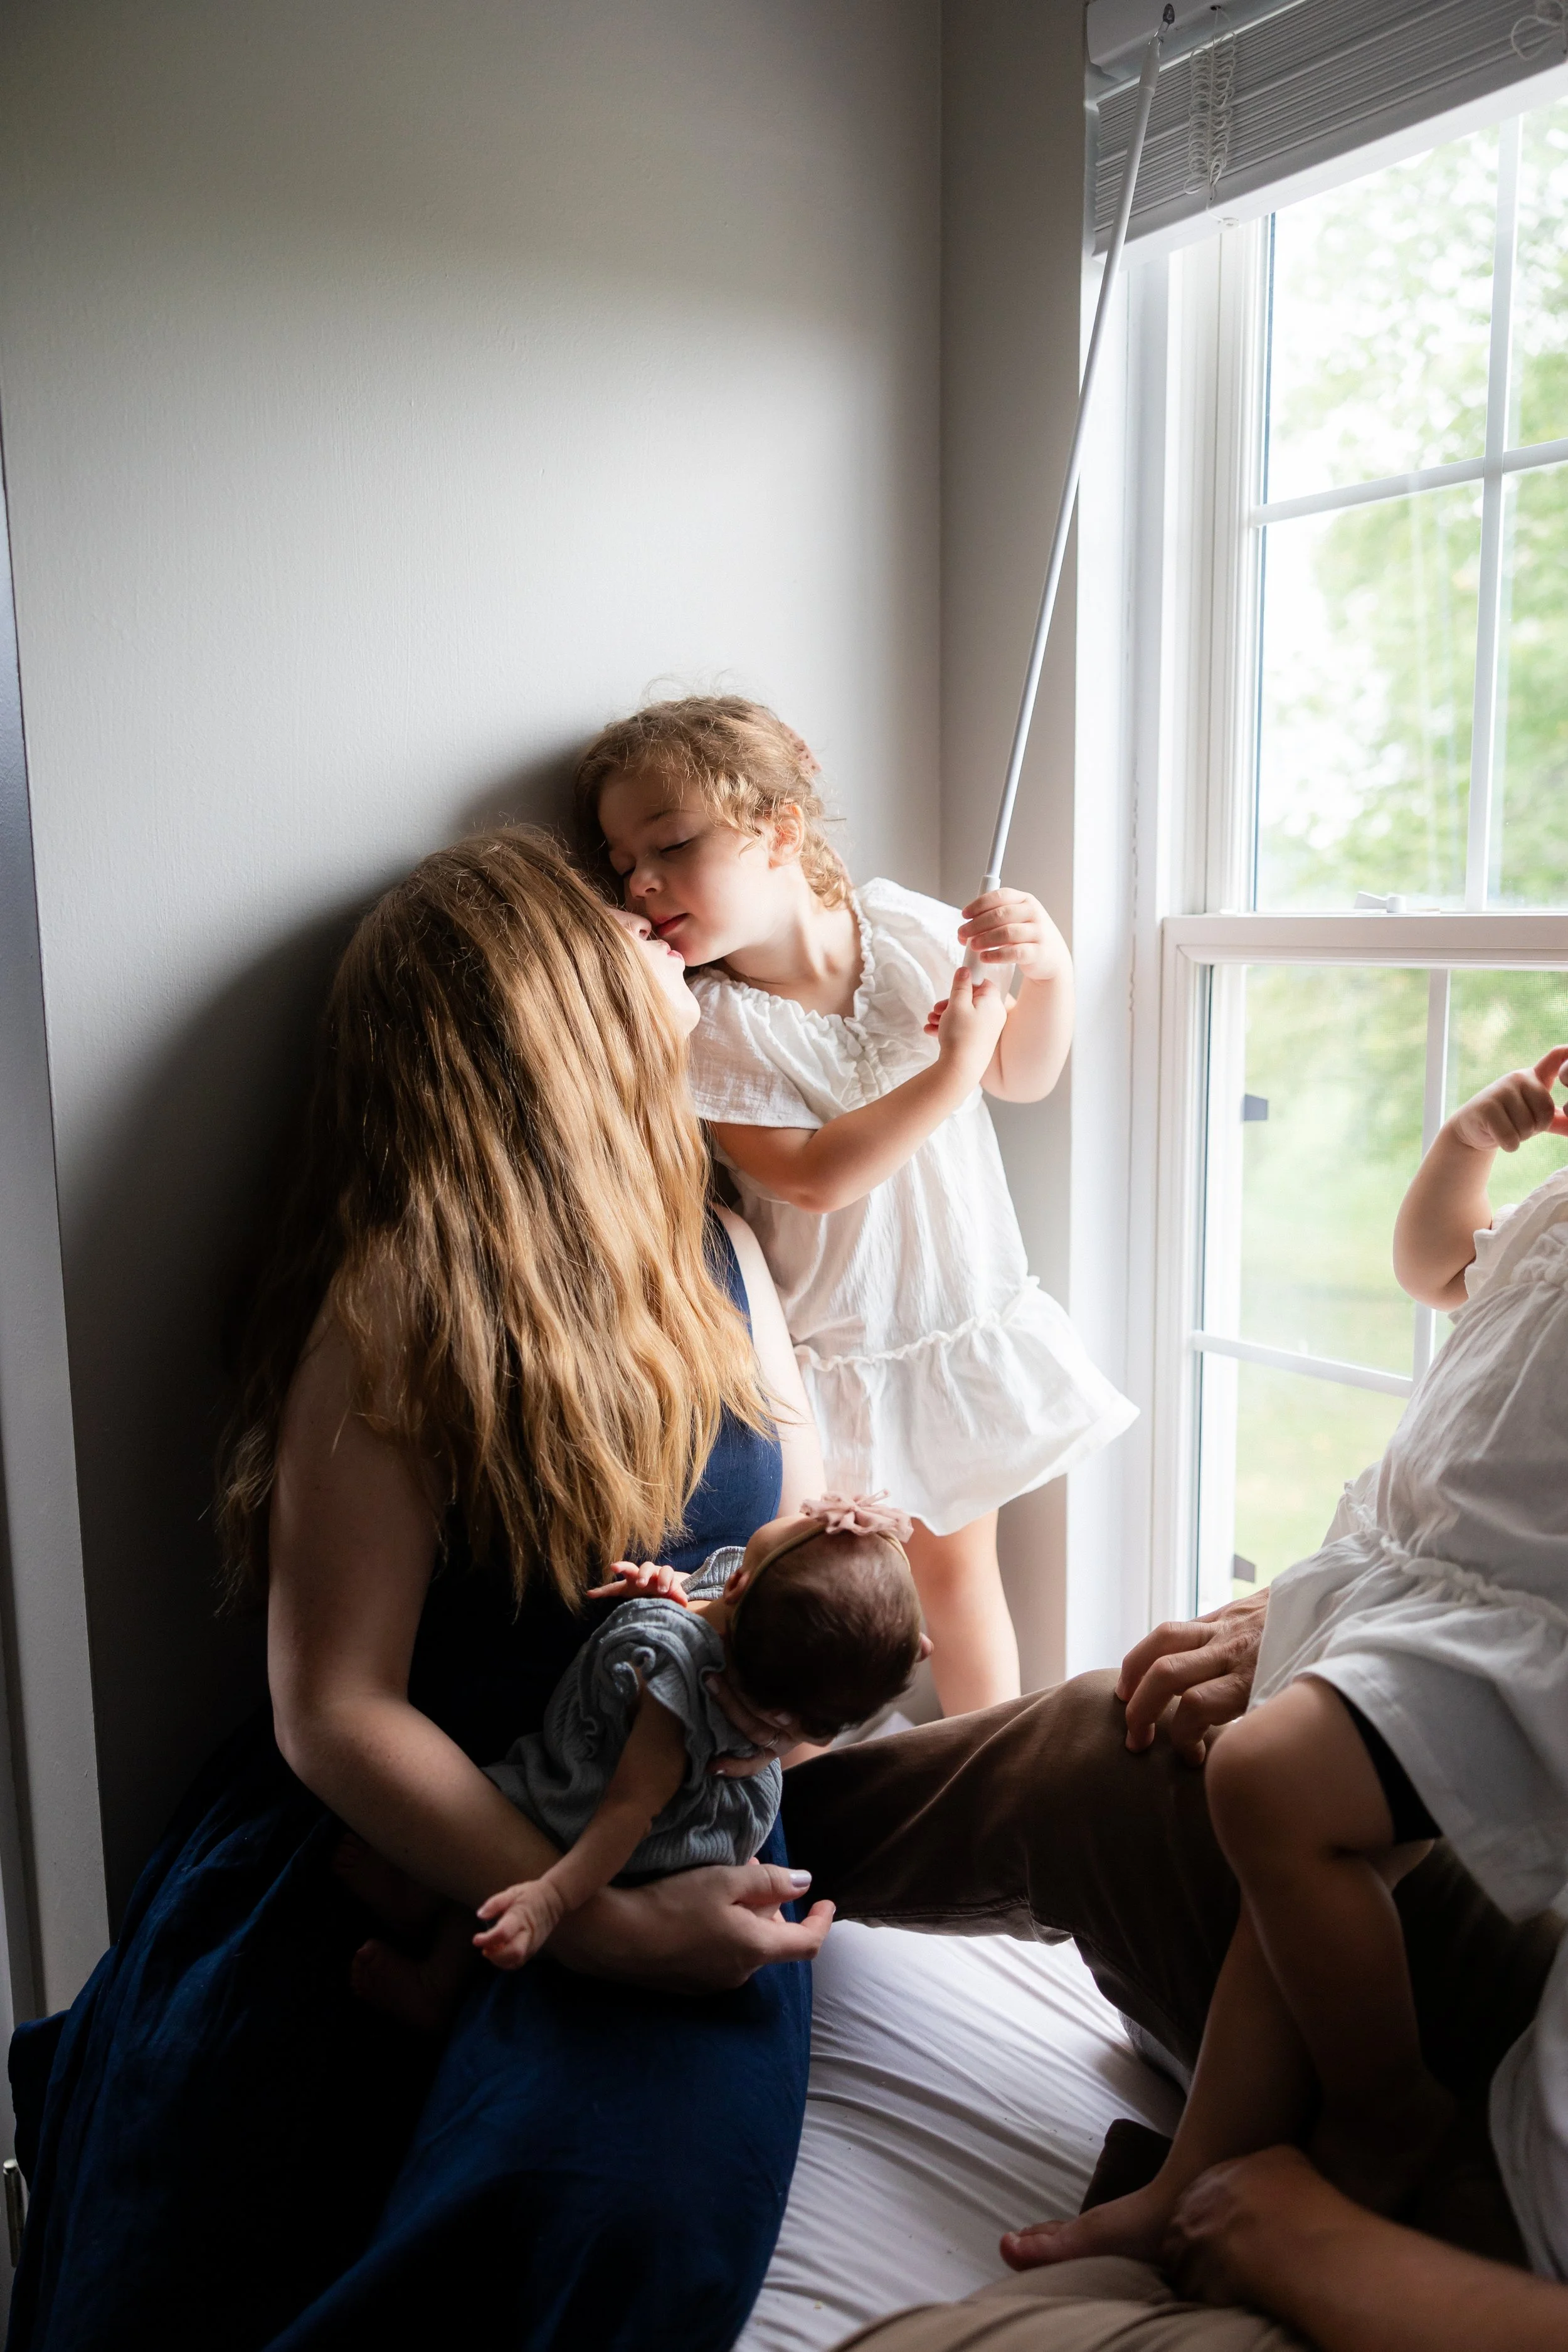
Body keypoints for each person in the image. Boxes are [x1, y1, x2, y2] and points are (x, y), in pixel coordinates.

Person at [7, 829, 835, 2352]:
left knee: (616, 2211)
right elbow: (332, 1706)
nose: (659, 935)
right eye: (613, 931)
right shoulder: (397, 1307)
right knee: (218, 2237)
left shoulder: (722, 1246)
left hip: (655, 1809)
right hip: (410, 1830)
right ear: (548, 1012)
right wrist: (581, 1922)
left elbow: (772, 1558)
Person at [987, 1049, 1568, 2272]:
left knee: (1264, 1783)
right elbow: (1430, 1268)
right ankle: (1203, 2164)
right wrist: (1464, 1144)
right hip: (1411, 1582)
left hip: (1508, 1634)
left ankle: (1384, 2113)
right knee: (1290, 1865)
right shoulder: (1549, 1214)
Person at [778, 1592, 1566, 2351]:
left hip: (1510, 2277)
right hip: (1535, 2035)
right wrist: (1349, 1614)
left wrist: (1315, 2246)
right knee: (1128, 1733)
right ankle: (740, 1857)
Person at [573, 694, 1135, 1716]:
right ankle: (799, 1803)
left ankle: (984, 1789)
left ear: (778, 830)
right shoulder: (714, 1019)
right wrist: (949, 1066)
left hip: (951, 1326)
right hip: (837, 1355)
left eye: (668, 845)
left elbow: (1023, 1073)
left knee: (963, 1589)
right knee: (822, 1613)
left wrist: (1044, 970)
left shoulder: (911, 929)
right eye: (621, 864)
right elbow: (814, 1176)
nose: (641, 882)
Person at [342, 1496, 926, 2026]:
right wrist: (668, 1588)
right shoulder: (772, 1647)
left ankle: (434, 1986)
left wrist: (550, 1901)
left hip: (641, 1825)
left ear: (740, 1587)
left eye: (809, 1522)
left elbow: (628, 1811)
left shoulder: (676, 1682)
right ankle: (424, 1899)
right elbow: (715, 1608)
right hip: (695, 1791)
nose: (812, 1508)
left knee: (512, 1816)